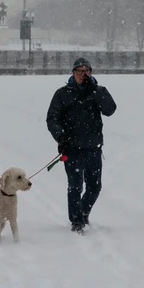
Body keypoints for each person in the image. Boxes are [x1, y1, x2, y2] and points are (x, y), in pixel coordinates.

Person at [46, 57, 116, 233]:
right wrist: (60, 136)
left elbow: (110, 110)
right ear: (73, 73)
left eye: (86, 71)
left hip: (93, 147)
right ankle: (76, 220)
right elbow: (52, 118)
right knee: (75, 186)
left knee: (95, 186)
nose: (83, 75)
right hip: (72, 148)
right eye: (79, 71)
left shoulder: (98, 91)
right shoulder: (62, 93)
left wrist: (97, 91)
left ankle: (84, 212)